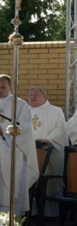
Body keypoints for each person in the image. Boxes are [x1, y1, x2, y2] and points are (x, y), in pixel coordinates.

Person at [0, 74, 38, 219]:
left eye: (2, 87)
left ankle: (10, 222)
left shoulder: (20, 105)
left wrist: (4, 130)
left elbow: (25, 129)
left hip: (11, 153)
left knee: (9, 188)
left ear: (10, 87)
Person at [28, 87, 67, 217]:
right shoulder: (24, 112)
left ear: (45, 97)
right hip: (30, 154)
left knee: (50, 185)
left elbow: (61, 129)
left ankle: (50, 213)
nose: (32, 97)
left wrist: (49, 140)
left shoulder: (55, 111)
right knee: (30, 181)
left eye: (36, 95)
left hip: (51, 153)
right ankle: (31, 212)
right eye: (30, 95)